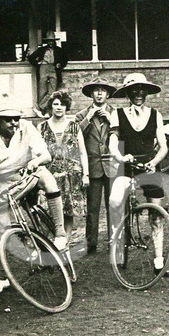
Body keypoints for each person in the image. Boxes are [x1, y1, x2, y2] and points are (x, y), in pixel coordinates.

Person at [0, 107, 69, 293]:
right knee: (1, 231)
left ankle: (60, 233)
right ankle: (0, 276)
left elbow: (45, 154)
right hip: (2, 182)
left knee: (48, 179)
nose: (13, 123)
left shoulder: (26, 127)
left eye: (16, 119)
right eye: (8, 120)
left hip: (27, 173)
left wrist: (35, 162)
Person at [108, 73, 169, 277]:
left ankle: (158, 261)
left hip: (149, 167)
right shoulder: (117, 114)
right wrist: (120, 156)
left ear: (146, 92)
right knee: (115, 200)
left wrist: (153, 162)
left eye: (141, 90)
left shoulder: (155, 115)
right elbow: (112, 141)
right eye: (134, 90)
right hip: (126, 166)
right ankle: (117, 244)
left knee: (157, 213)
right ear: (127, 93)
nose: (138, 93)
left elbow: (163, 146)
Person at [38, 90, 90, 250]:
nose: (59, 107)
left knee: (68, 212)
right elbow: (37, 152)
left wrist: (86, 174)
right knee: (46, 211)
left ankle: (64, 246)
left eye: (62, 104)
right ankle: (45, 248)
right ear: (50, 106)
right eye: (55, 104)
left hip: (72, 176)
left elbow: (82, 151)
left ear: (67, 106)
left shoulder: (74, 127)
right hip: (50, 176)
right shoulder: (42, 126)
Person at [75, 79, 119, 254]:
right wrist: (89, 117)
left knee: (113, 206)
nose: (99, 94)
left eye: (103, 91)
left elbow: (122, 134)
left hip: (111, 166)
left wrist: (111, 121)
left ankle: (113, 242)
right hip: (92, 166)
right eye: (96, 91)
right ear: (91, 94)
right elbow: (74, 135)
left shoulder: (116, 114)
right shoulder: (82, 114)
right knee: (93, 208)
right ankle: (91, 244)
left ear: (108, 94)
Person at [28, 31, 68, 106]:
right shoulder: (41, 50)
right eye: (49, 41)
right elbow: (30, 58)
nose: (51, 43)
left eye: (52, 41)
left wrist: (60, 64)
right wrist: (37, 64)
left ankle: (43, 107)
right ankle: (42, 109)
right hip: (43, 68)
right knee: (42, 90)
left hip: (53, 69)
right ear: (47, 41)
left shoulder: (59, 50)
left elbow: (65, 59)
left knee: (52, 90)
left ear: (54, 41)